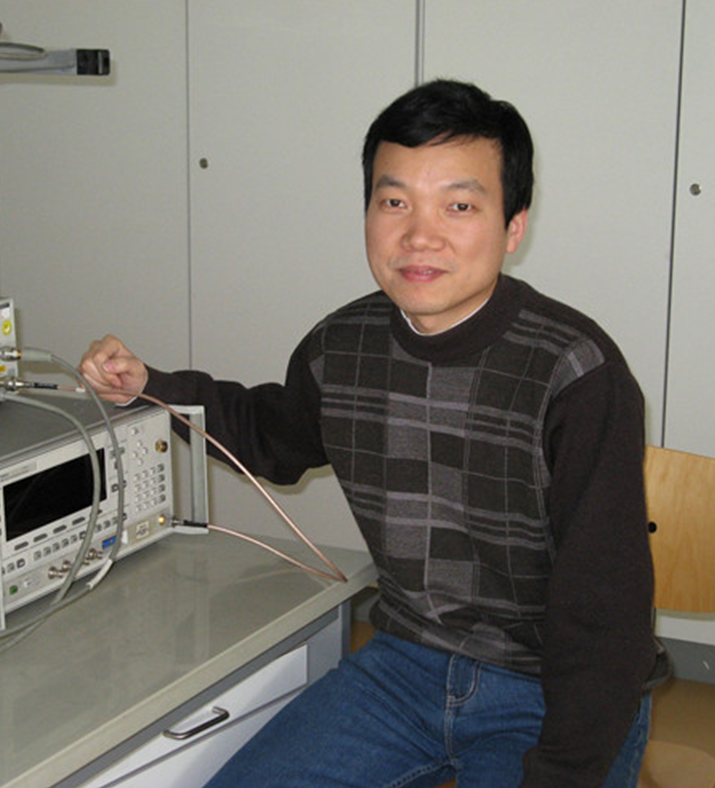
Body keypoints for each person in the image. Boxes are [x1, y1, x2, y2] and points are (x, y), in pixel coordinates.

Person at [79, 79, 663, 788]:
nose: (419, 236)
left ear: (513, 227)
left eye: (458, 205)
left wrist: (565, 770)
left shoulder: (576, 372)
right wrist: (150, 384)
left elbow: (604, 610)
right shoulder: (341, 345)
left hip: (552, 686)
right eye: (394, 202)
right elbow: (271, 434)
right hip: (404, 667)